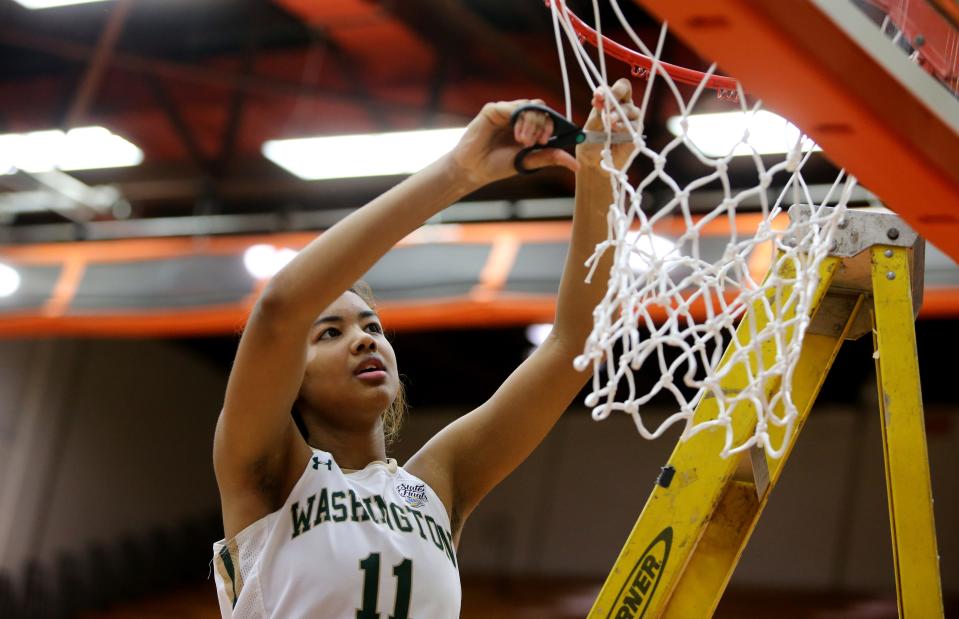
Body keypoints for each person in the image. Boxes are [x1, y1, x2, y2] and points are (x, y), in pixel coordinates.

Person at [211, 78, 638, 618]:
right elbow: (278, 312)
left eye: (372, 326)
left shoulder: (436, 484)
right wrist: (459, 173)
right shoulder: (264, 471)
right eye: (330, 332)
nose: (364, 337)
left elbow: (574, 344)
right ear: (288, 380)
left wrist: (599, 175)